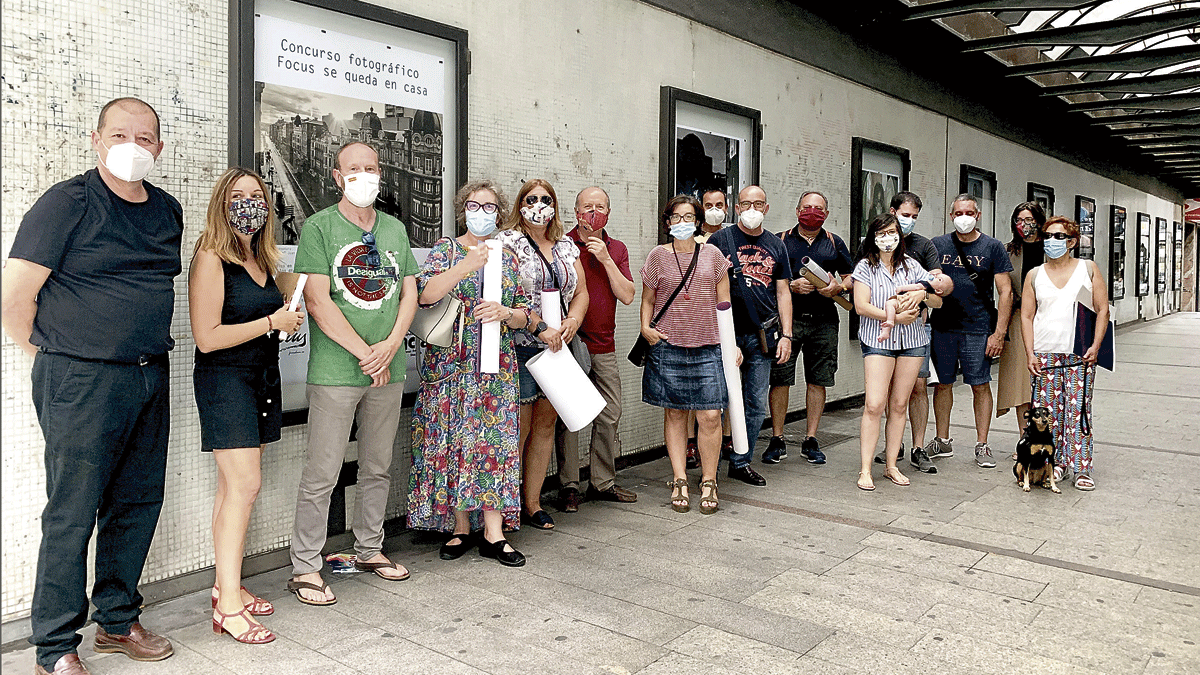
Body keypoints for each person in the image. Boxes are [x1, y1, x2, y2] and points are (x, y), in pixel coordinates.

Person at [2, 97, 179, 674]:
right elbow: (15, 294)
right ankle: (54, 647)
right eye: (120, 134)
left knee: (136, 502)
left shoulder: (167, 209)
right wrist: (47, 353)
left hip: (150, 373)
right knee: (72, 511)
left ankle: (118, 619)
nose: (134, 145)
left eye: (145, 137)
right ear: (97, 140)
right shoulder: (67, 202)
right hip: (79, 377)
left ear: (159, 146)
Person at [288, 141, 419, 605]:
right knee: (322, 471)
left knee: (378, 466)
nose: (363, 175)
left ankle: (369, 548)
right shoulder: (319, 227)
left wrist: (389, 347)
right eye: (353, 169)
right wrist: (367, 352)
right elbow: (318, 301)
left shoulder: (395, 229)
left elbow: (409, 294)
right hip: (337, 370)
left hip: (389, 365)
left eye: (371, 167)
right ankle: (306, 566)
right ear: (336, 176)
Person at [189, 168, 304, 643]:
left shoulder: (262, 259)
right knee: (245, 485)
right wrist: (272, 320)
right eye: (238, 196)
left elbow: (286, 300)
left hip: (260, 379)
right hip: (225, 381)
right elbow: (207, 337)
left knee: (231, 489)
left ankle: (225, 587)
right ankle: (230, 609)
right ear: (222, 202)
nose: (249, 203)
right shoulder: (211, 257)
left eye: (256, 196)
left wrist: (289, 310)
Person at [408, 180, 530, 566]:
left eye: (490, 207)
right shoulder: (446, 249)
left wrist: (507, 314)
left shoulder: (508, 256)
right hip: (450, 367)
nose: (482, 213)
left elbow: (527, 312)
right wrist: (466, 265)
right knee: (452, 441)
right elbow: (424, 295)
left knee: (493, 442)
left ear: (500, 213)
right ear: (463, 209)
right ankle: (460, 527)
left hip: (496, 368)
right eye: (475, 205)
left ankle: (495, 533)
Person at [496, 179, 589, 530]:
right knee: (518, 428)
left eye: (545, 199)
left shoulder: (566, 246)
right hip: (520, 344)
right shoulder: (508, 243)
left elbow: (581, 292)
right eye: (531, 199)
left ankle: (532, 503)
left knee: (546, 426)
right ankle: (506, 506)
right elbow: (503, 293)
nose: (538, 205)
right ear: (520, 204)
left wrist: (574, 320)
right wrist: (538, 325)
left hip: (556, 348)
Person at [641, 195, 732, 514]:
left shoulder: (714, 254)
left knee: (710, 414)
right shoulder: (656, 256)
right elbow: (649, 300)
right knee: (676, 412)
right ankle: (679, 478)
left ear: (698, 221)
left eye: (689, 217)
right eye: (676, 218)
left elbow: (725, 304)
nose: (682, 223)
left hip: (708, 345)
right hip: (668, 345)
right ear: (667, 223)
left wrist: (730, 344)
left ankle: (709, 480)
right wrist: (645, 328)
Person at [554, 187, 637, 512]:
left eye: (599, 206)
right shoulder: (563, 244)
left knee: (610, 411)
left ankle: (602, 483)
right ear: (576, 212)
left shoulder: (616, 248)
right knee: (571, 416)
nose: (593, 212)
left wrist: (604, 258)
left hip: (604, 344)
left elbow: (628, 295)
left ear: (608, 212)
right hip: (570, 343)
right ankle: (569, 486)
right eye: (587, 207)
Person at [708, 185, 793, 485]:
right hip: (726, 334)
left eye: (759, 204)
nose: (752, 209)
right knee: (716, 401)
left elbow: (783, 291)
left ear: (767, 208)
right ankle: (711, 465)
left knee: (756, 402)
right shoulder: (720, 240)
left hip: (762, 335)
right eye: (746, 203)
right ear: (736, 207)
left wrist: (786, 334)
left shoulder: (776, 244)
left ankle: (741, 460)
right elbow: (706, 287)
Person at [852, 214, 943, 490]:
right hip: (878, 340)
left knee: (900, 404)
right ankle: (866, 469)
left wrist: (923, 295)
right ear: (873, 237)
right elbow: (860, 306)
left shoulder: (912, 266)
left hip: (913, 341)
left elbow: (938, 298)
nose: (888, 238)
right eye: (882, 233)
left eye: (892, 232)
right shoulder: (865, 267)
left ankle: (892, 465)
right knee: (874, 404)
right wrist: (892, 318)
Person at [1021, 216, 1108, 491]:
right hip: (1046, 354)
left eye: (1059, 237)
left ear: (1071, 241)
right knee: (1047, 415)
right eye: (1047, 236)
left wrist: (1096, 346)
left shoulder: (1088, 269)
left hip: (1079, 354)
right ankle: (1054, 464)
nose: (1052, 242)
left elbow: (1102, 309)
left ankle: (1081, 467)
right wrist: (1030, 353)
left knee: (1078, 411)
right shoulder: (1035, 274)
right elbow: (1026, 315)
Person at [927, 194, 1013, 469]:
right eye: (958, 212)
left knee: (979, 384)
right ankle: (942, 440)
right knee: (942, 384)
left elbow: (1005, 291)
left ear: (978, 215)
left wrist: (998, 333)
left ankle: (982, 444)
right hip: (943, 326)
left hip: (978, 327)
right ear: (951, 216)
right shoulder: (938, 245)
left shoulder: (993, 246)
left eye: (969, 212)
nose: (964, 217)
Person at [768, 191, 853, 465]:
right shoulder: (779, 240)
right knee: (780, 378)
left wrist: (838, 287)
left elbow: (852, 276)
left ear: (826, 214)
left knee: (818, 380)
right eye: (807, 207)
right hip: (788, 322)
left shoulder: (833, 242)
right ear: (797, 210)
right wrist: (790, 285)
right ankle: (777, 438)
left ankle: (811, 438)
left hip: (824, 321)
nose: (812, 212)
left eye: (818, 208)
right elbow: (765, 278)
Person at [684, 188, 735, 468]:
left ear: (727, 207)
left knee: (723, 387)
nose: (714, 209)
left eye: (719, 204)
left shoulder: (729, 238)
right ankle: (691, 442)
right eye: (708, 205)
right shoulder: (690, 239)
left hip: (725, 322)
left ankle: (727, 437)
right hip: (691, 325)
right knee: (695, 391)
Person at [996, 202, 1046, 434]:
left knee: (1046, 379)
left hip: (1048, 319)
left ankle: (1046, 435)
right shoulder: (1008, 251)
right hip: (1017, 320)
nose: (1024, 225)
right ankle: (1025, 435)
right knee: (1020, 382)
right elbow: (1004, 289)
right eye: (1019, 220)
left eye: (1029, 220)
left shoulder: (1052, 249)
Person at [877, 275, 952, 342]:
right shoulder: (929, 295)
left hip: (904, 301)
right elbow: (924, 310)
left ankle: (888, 325)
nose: (934, 277)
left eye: (939, 279)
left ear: (938, 291)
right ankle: (886, 331)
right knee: (891, 311)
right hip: (912, 308)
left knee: (889, 304)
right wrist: (923, 321)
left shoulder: (926, 285)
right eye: (936, 276)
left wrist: (901, 288)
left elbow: (916, 287)